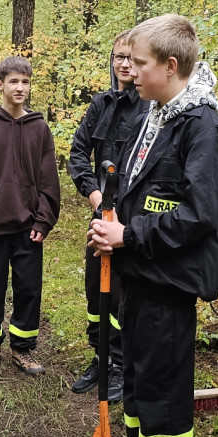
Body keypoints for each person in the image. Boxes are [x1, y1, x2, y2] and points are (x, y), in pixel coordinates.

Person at [88, 14, 218, 437]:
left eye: (141, 63)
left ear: (170, 66)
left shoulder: (204, 129)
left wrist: (130, 235)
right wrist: (112, 220)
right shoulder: (158, 116)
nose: (129, 70)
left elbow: (199, 214)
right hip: (139, 274)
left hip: (169, 280)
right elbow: (138, 188)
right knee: (137, 378)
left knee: (163, 386)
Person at [0, 56, 61, 376]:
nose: (20, 87)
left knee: (28, 288)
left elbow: (49, 179)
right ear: (0, 85)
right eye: (14, 81)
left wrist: (43, 220)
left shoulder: (40, 128)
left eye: (25, 82)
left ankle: (23, 348)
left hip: (28, 224)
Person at [68, 30, 150, 401]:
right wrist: (96, 196)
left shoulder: (149, 106)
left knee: (120, 294)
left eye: (132, 58)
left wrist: (123, 213)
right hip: (101, 215)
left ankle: (120, 364)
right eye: (119, 57)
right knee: (94, 291)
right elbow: (78, 154)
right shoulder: (99, 104)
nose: (125, 64)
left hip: (132, 221)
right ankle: (100, 357)